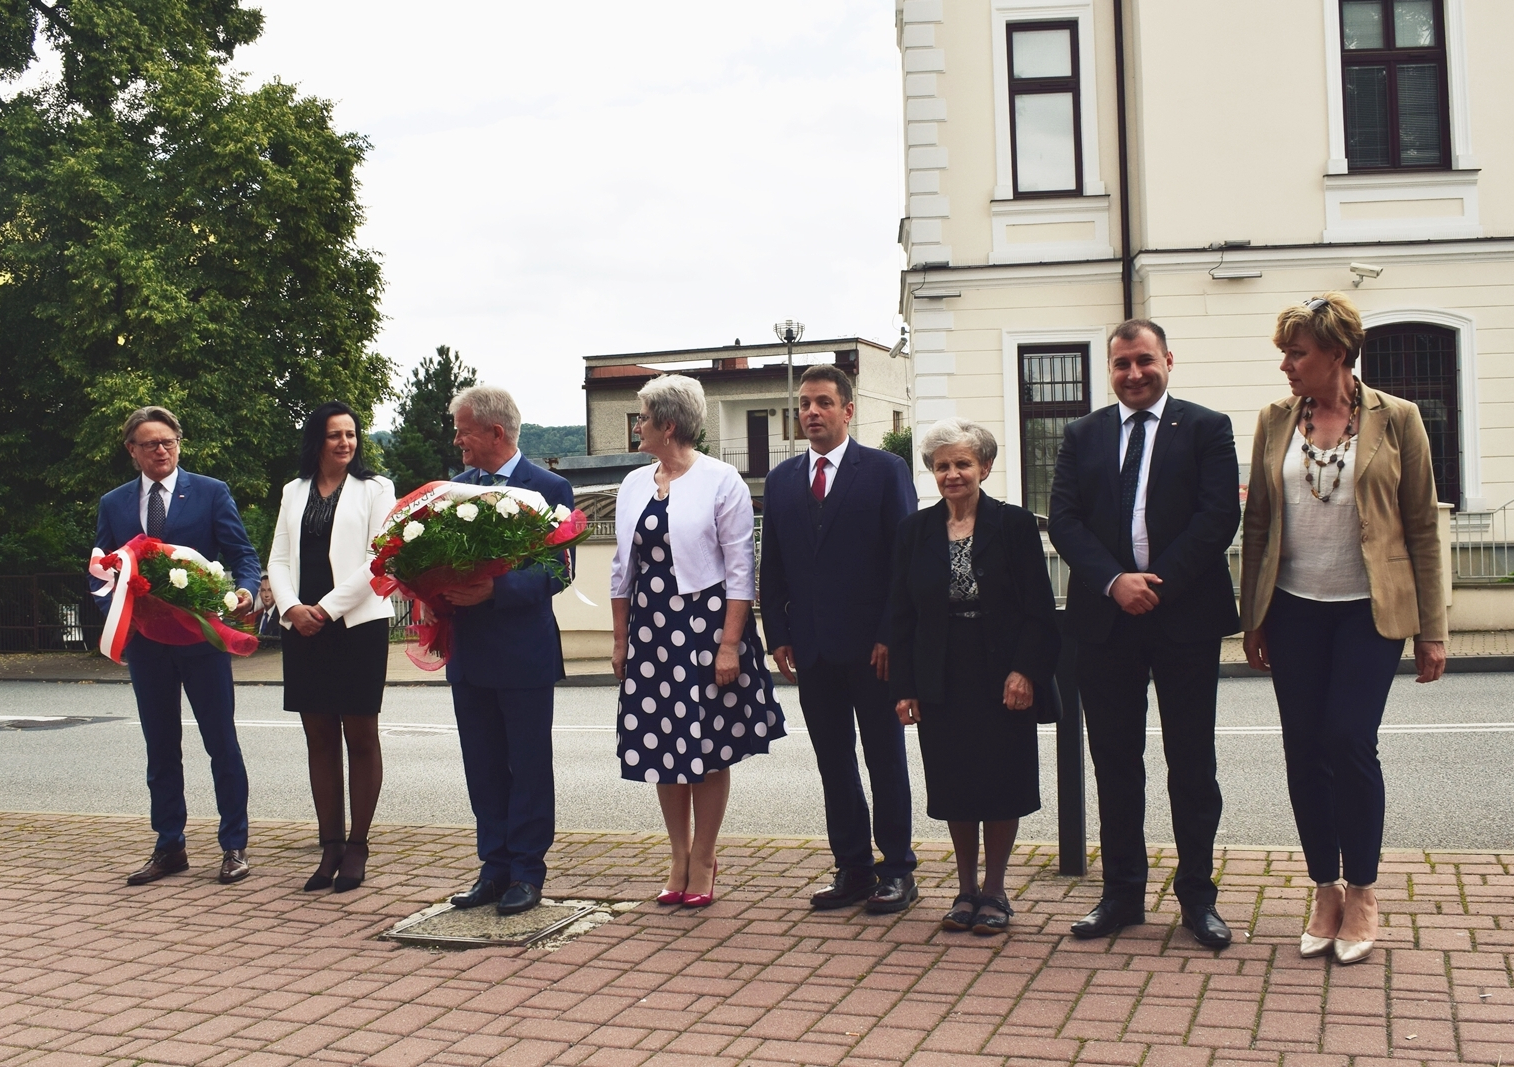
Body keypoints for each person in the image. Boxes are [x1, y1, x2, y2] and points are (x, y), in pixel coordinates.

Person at [1241, 294, 1446, 965]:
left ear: (1336, 353)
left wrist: (1433, 629)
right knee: (1303, 748)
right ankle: (1324, 890)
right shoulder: (1275, 420)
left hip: (1369, 608)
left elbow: (1423, 526)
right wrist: (1253, 617)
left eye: (1297, 353)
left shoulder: (1398, 418)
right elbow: (1258, 522)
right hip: (1293, 608)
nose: (1286, 365)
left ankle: (1362, 889)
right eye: (1285, 352)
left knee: (1349, 738)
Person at [1048, 319, 1242, 948]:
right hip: (1105, 621)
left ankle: (1198, 898)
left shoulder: (1206, 427)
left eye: (1144, 361)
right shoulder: (1083, 434)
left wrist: (1156, 584)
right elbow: (1065, 520)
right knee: (1115, 763)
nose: (1133, 373)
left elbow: (1219, 515)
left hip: (1185, 617)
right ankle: (1122, 894)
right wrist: (1115, 582)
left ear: (1167, 360)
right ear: (1109, 370)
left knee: (1192, 764)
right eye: (1121, 364)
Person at [611, 374, 785, 907]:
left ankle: (705, 858)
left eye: (643, 418)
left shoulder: (721, 479)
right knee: (663, 744)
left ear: (668, 425)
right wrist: (620, 641)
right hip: (650, 629)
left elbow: (741, 570)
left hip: (705, 627)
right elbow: (621, 569)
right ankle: (678, 856)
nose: (637, 427)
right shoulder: (634, 483)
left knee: (707, 746)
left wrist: (730, 645)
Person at [759, 363, 919, 914]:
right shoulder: (781, 480)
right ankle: (852, 866)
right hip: (811, 648)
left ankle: (897, 869)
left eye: (823, 402)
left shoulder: (884, 470)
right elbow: (773, 565)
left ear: (848, 410)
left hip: (874, 650)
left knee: (884, 759)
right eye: (804, 404)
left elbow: (904, 561)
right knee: (833, 761)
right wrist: (778, 633)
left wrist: (891, 635)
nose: (811, 412)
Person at [891, 419, 1060, 935]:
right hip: (941, 674)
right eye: (942, 466)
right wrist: (905, 687)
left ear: (984, 467)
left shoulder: (1014, 525)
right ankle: (965, 890)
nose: (952, 474)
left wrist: (1025, 671)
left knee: (1001, 781)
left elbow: (1039, 609)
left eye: (962, 463)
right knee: (955, 783)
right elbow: (902, 614)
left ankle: (995, 890)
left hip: (1002, 672)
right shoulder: (914, 530)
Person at [91, 406, 261, 885]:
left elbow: (243, 555)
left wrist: (246, 591)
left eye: (168, 441)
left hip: (201, 639)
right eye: (150, 444)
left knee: (221, 743)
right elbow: (102, 572)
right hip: (147, 646)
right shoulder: (114, 503)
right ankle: (169, 846)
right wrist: (120, 620)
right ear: (132, 451)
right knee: (161, 747)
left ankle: (234, 845)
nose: (161, 450)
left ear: (179, 443)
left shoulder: (210, 492)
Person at [443, 385, 575, 917]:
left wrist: (494, 590)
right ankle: (493, 868)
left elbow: (558, 572)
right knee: (482, 766)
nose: (457, 441)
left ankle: (526, 871)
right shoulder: (453, 490)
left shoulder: (550, 488)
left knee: (527, 766)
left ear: (495, 432)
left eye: (464, 431)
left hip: (523, 653)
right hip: (468, 652)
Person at [267, 401, 397, 893]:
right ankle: (330, 846)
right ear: (316, 441)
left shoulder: (376, 488)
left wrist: (325, 608)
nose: (345, 442)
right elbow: (279, 559)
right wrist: (292, 608)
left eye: (351, 434)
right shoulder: (293, 491)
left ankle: (358, 846)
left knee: (360, 736)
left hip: (356, 625)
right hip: (303, 627)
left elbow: (379, 559)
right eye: (334, 435)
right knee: (318, 738)